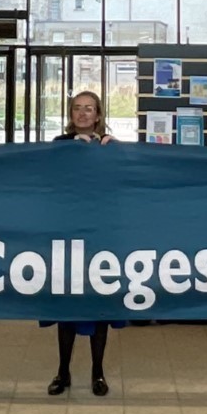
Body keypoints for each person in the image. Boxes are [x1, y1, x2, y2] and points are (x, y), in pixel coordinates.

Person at [45, 91, 117, 397]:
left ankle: (97, 372)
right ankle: (63, 372)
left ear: (99, 115)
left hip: (100, 237)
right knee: (67, 304)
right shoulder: (60, 145)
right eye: (78, 108)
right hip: (67, 233)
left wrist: (111, 154)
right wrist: (73, 150)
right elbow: (47, 179)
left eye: (89, 109)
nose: (83, 113)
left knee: (99, 305)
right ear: (71, 114)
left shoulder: (111, 148)